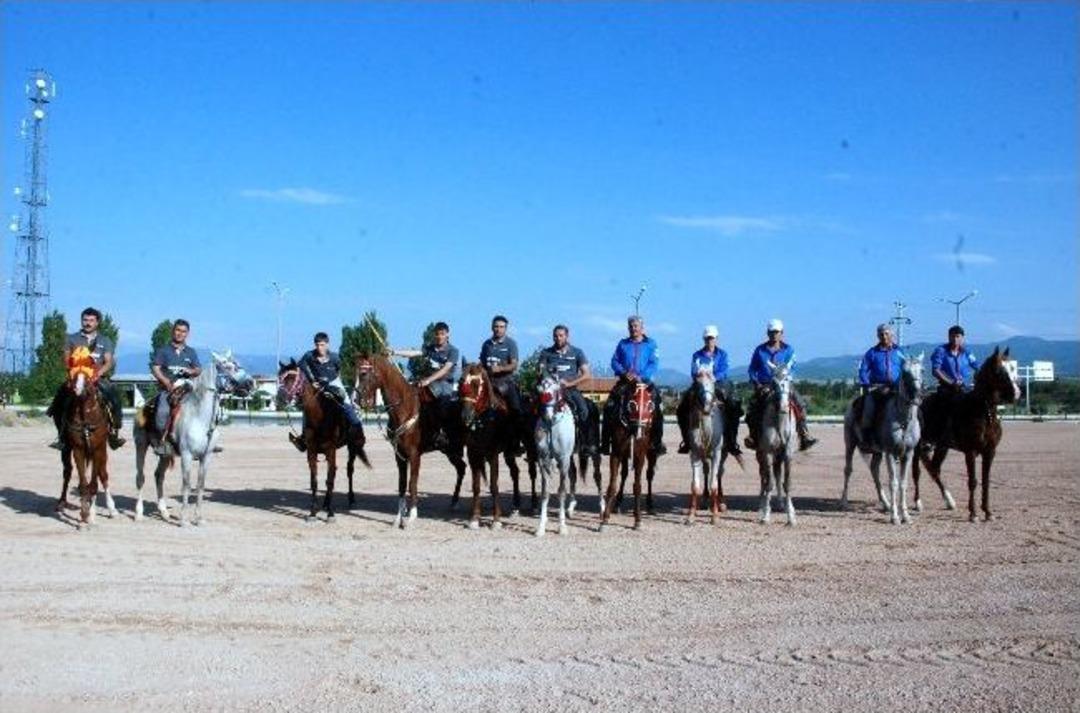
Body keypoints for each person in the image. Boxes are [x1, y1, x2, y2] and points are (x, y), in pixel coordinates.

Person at [47, 307, 125, 450]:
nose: (87, 323)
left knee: (114, 396)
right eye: (85, 320)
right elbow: (66, 358)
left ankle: (114, 433)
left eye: (91, 320)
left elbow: (109, 361)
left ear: (97, 322)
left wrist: (98, 374)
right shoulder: (71, 338)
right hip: (76, 377)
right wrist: (73, 372)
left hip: (97, 378)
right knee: (60, 399)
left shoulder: (105, 340)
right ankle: (62, 436)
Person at [744, 318, 817, 451]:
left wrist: (787, 378)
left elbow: (792, 367)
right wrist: (757, 383)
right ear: (767, 333)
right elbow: (752, 369)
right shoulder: (760, 351)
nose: (774, 335)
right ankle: (753, 436)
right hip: (765, 385)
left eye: (777, 332)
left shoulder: (788, 350)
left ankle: (804, 434)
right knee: (752, 408)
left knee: (800, 404)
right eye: (772, 332)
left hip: (784, 383)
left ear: (782, 333)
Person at [601, 315, 666, 456]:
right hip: (625, 382)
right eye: (630, 326)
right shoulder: (622, 344)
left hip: (645, 383)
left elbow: (653, 363)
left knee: (658, 407)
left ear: (642, 328)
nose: (633, 329)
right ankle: (605, 443)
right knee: (609, 406)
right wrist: (623, 372)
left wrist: (641, 376)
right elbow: (614, 361)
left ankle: (657, 443)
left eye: (636, 326)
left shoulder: (651, 344)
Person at [288, 332, 363, 452]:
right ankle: (303, 438)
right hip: (316, 385)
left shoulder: (335, 357)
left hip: (333, 382)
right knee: (308, 407)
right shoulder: (309, 355)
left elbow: (339, 371)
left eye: (322, 345)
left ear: (327, 345)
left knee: (345, 401)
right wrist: (312, 380)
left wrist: (335, 382)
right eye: (317, 345)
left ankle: (355, 426)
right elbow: (301, 365)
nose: (319, 347)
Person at [676, 325, 743, 457]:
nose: (709, 340)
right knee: (682, 407)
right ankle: (687, 441)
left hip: (719, 384)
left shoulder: (722, 354)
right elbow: (693, 371)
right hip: (701, 384)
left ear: (716, 339)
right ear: (704, 339)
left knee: (733, 406)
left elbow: (724, 370)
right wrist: (699, 377)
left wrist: (715, 376)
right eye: (707, 338)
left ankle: (731, 441)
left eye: (712, 338)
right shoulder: (697, 355)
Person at [392, 321, 460, 449]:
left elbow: (445, 370)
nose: (439, 336)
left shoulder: (453, 351)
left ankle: (441, 432)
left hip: (444, 384)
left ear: (447, 335)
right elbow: (414, 353)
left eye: (442, 334)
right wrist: (394, 352)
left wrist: (428, 380)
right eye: (437, 334)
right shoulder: (430, 348)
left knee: (438, 400)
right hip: (428, 383)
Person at [538, 324, 599, 456]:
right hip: (550, 391)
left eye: (561, 336)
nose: (558, 338)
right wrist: (550, 380)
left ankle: (585, 444)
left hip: (570, 390)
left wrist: (570, 383)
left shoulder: (577, 352)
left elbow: (587, 375)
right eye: (555, 336)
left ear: (567, 336)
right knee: (533, 409)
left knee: (584, 410)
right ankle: (534, 445)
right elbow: (540, 372)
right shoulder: (546, 353)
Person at [149, 319, 201, 456]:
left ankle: (204, 441)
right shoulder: (163, 351)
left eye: (183, 331)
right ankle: (163, 442)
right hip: (168, 390)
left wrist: (191, 371)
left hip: (187, 390)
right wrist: (165, 380)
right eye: (178, 330)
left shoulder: (191, 352)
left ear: (187, 334)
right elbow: (155, 368)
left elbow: (198, 369)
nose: (180, 334)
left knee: (205, 408)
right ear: (173, 331)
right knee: (162, 412)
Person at [923, 325, 980, 445]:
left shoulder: (967, 353)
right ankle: (934, 435)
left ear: (962, 338)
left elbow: (977, 367)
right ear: (948, 337)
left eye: (958, 336)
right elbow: (936, 370)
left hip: (964, 388)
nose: (955, 339)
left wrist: (979, 377)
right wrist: (951, 382)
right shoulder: (941, 351)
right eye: (952, 336)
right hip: (946, 389)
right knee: (941, 409)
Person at [856, 323, 906, 445]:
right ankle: (866, 439)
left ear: (891, 335)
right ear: (878, 336)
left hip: (897, 389)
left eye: (886, 334)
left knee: (914, 408)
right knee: (868, 410)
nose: (884, 336)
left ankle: (921, 439)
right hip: (877, 389)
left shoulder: (899, 351)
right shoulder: (872, 353)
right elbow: (863, 370)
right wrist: (867, 384)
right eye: (881, 334)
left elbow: (906, 368)